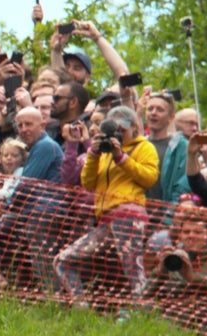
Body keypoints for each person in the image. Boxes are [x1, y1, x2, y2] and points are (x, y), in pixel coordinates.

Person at [55, 105, 159, 302]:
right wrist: (93, 155)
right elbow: (88, 183)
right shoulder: (102, 151)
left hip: (129, 215)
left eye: (122, 130)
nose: (117, 134)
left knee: (133, 272)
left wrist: (121, 158)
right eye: (112, 130)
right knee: (63, 260)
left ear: (134, 127)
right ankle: (81, 306)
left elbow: (149, 178)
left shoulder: (144, 147)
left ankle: (144, 313)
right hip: (105, 219)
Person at [0, 107, 64, 294]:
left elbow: (26, 185)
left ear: (42, 125)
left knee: (41, 256)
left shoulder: (45, 146)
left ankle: (52, 297)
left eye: (29, 124)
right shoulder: (36, 148)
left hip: (45, 211)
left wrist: (6, 206)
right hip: (31, 211)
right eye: (20, 125)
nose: (24, 129)